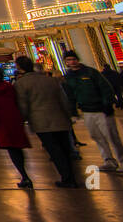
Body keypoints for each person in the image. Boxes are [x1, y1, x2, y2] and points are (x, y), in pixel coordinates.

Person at [61, 50, 123, 173]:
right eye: (68, 60)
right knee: (96, 136)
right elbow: (71, 95)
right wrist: (73, 111)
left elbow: (105, 87)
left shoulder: (91, 72)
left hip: (101, 110)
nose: (72, 62)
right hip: (87, 111)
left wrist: (107, 104)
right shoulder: (68, 77)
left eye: (73, 59)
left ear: (77, 60)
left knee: (112, 136)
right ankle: (108, 160)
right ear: (66, 62)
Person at [13, 55, 79, 187]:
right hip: (60, 119)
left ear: (19, 67)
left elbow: (23, 106)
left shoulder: (21, 84)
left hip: (41, 122)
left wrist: (22, 120)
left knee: (54, 150)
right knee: (65, 149)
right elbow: (63, 100)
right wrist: (69, 116)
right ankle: (71, 176)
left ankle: (66, 178)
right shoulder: (50, 80)